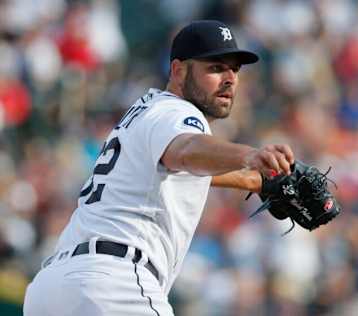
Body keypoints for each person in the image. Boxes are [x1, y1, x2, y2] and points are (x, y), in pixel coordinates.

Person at [23, 20, 295, 316]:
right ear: (178, 70)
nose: (230, 78)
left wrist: (251, 181)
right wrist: (250, 155)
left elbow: (173, 168)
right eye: (216, 68)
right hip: (114, 285)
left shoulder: (144, 113)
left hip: (51, 289)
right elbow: (187, 150)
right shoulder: (178, 112)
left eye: (235, 69)